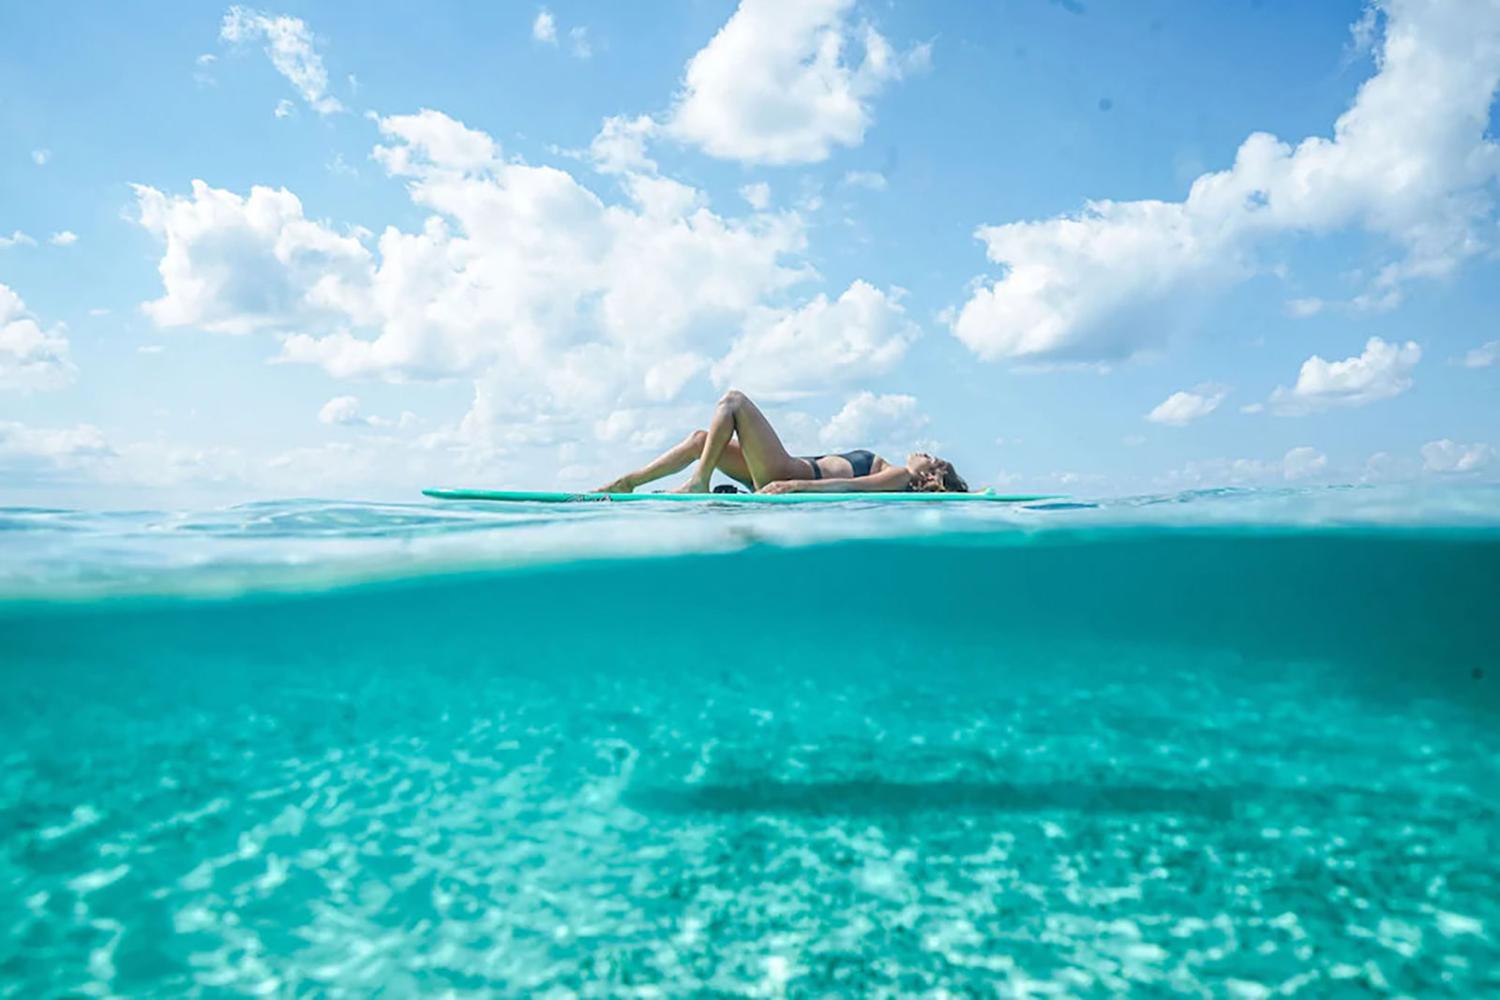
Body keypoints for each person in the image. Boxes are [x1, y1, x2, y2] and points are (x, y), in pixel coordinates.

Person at [596, 389, 970, 495]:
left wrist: (794, 485)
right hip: (778, 472)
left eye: (932, 460)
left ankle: (698, 483)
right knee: (701, 439)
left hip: (786, 473)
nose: (924, 453)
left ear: (931, 478)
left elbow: (846, 486)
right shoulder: (896, 470)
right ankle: (630, 482)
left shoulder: (902, 475)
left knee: (734, 403)